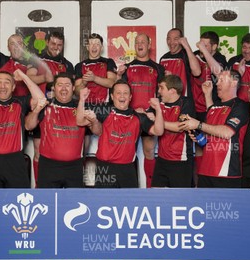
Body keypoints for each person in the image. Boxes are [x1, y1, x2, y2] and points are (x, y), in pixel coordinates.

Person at [78, 81, 163, 188]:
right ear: (112, 96)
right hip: (105, 168)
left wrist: (158, 110)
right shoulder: (104, 111)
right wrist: (82, 100)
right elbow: (80, 122)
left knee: (128, 204)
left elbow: (158, 131)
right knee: (104, 203)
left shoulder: (139, 116)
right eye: (118, 93)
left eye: (125, 93)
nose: (122, 96)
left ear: (130, 97)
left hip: (127, 169)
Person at [180, 70, 249, 188]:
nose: (217, 83)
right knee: (203, 206)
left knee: (226, 207)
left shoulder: (240, 106)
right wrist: (198, 136)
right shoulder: (214, 107)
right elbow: (209, 135)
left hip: (226, 173)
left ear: (234, 83)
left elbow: (227, 132)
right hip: (205, 171)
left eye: (222, 80)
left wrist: (198, 125)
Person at [119, 33, 165, 187]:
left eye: (143, 42)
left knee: (149, 151)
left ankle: (150, 190)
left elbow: (162, 94)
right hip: (130, 116)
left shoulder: (158, 68)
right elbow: (121, 93)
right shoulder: (128, 67)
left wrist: (153, 112)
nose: (140, 44)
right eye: (137, 42)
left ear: (149, 44)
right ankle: (130, 189)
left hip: (149, 115)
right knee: (127, 153)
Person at [25, 73, 85, 188]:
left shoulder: (80, 106)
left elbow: (97, 130)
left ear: (73, 88)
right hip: (49, 166)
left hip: (74, 166)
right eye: (60, 85)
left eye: (67, 85)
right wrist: (37, 110)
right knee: (47, 203)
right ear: (54, 88)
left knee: (73, 203)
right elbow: (28, 126)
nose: (63, 88)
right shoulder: (45, 106)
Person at [191, 32, 226, 182]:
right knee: (198, 145)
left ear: (214, 47)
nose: (201, 47)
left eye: (206, 45)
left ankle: (211, 178)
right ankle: (199, 183)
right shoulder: (194, 56)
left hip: (214, 108)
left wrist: (204, 51)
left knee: (211, 144)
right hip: (196, 108)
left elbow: (218, 73)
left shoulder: (220, 59)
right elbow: (195, 71)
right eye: (200, 43)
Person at [152, 75, 196, 188]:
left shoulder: (186, 103)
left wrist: (159, 121)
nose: (159, 91)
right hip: (161, 159)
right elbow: (147, 117)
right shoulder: (159, 104)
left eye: (161, 88)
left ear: (172, 91)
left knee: (180, 200)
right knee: (155, 196)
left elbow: (180, 126)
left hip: (181, 161)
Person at [74, 33, 117, 105]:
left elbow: (112, 83)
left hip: (104, 106)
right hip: (85, 106)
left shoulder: (108, 62)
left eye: (97, 44)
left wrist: (94, 78)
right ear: (87, 47)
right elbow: (77, 92)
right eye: (91, 44)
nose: (94, 46)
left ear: (102, 47)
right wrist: (83, 83)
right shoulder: (79, 66)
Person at [159, 28, 200, 98]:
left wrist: (186, 46)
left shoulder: (187, 55)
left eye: (175, 39)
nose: (171, 42)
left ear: (181, 40)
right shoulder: (163, 58)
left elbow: (197, 72)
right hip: (168, 102)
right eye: (169, 39)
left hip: (184, 101)